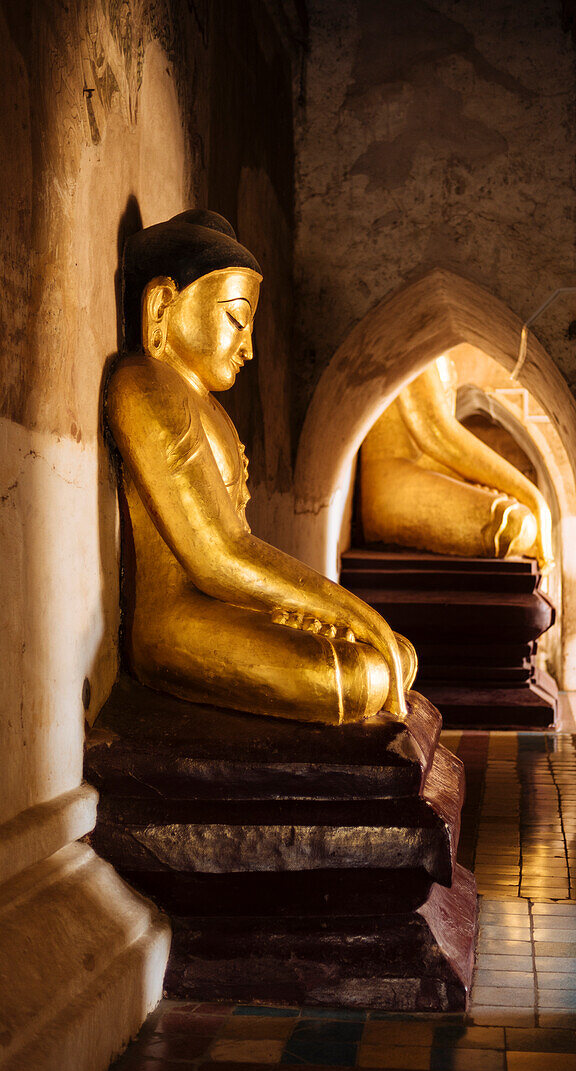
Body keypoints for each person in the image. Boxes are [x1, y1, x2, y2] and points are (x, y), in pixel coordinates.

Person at [107, 210, 415, 725]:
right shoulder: (144, 386)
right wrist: (353, 613)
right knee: (350, 677)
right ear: (163, 305)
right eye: (235, 318)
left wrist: (322, 612)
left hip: (228, 605)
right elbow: (216, 555)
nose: (248, 347)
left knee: (395, 657)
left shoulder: (206, 405)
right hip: (177, 621)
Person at [360, 358, 554, 573]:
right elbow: (437, 436)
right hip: (391, 484)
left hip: (424, 470)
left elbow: (434, 451)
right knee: (516, 526)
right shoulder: (412, 335)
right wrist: (535, 499)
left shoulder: (443, 355)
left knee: (515, 514)